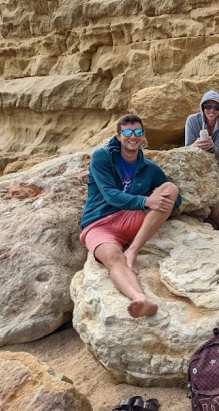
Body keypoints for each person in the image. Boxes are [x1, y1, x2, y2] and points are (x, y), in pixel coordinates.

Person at [79, 114, 181, 318]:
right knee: (112, 257)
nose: (132, 137)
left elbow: (174, 201)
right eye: (127, 132)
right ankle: (140, 299)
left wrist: (156, 201)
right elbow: (110, 195)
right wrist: (145, 201)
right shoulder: (102, 157)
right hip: (99, 224)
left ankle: (133, 251)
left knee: (170, 187)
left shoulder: (149, 168)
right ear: (118, 136)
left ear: (143, 137)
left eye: (137, 132)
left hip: (130, 218)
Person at [184, 89, 219, 226]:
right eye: (208, 106)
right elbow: (186, 149)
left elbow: (218, 149)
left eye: (216, 107)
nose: (212, 110)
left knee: (214, 207)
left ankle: (217, 224)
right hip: (195, 167)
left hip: (215, 166)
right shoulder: (192, 120)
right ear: (202, 107)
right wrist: (195, 145)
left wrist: (209, 146)